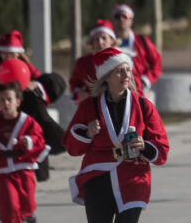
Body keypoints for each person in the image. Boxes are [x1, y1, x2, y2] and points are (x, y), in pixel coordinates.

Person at [64, 47, 169, 223]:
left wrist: (144, 146)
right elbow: (71, 147)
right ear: (106, 76)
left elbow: (162, 147)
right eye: (119, 71)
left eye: (128, 69)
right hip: (97, 178)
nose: (126, 75)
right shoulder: (89, 106)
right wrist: (87, 133)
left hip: (133, 176)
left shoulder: (144, 106)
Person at [0, 30, 66, 179]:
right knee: (7, 148)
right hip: (5, 116)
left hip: (27, 115)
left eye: (12, 53)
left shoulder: (26, 68)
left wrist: (34, 85)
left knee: (34, 139)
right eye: (5, 53)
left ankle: (34, 171)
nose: (8, 57)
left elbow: (42, 84)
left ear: (19, 53)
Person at [0, 81, 46, 223]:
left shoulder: (27, 121)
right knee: (10, 204)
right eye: (2, 100)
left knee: (28, 203)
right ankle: (6, 215)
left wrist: (29, 140)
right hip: (2, 169)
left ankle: (26, 214)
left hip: (24, 167)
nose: (6, 103)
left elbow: (38, 137)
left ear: (18, 102)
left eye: (9, 99)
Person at [111, 5, 163, 100]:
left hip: (139, 90)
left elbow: (157, 63)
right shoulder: (107, 42)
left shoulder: (143, 42)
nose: (121, 19)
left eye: (125, 16)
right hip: (113, 92)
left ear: (131, 21)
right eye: (117, 16)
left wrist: (145, 79)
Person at [71, 20, 120, 101]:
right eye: (96, 39)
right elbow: (75, 84)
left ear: (112, 40)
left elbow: (132, 85)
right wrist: (79, 93)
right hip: (90, 105)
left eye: (104, 38)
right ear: (92, 43)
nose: (100, 42)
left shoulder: (121, 60)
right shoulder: (83, 63)